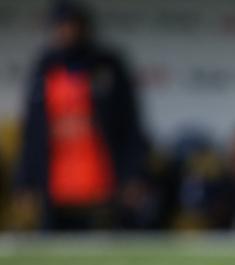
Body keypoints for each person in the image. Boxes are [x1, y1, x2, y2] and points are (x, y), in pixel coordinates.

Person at [14, 1, 148, 231]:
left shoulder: (107, 65)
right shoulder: (45, 67)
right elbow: (32, 133)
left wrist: (133, 175)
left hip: (103, 183)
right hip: (55, 186)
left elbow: (129, 126)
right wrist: (26, 182)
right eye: (60, 27)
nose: (66, 32)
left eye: (71, 26)